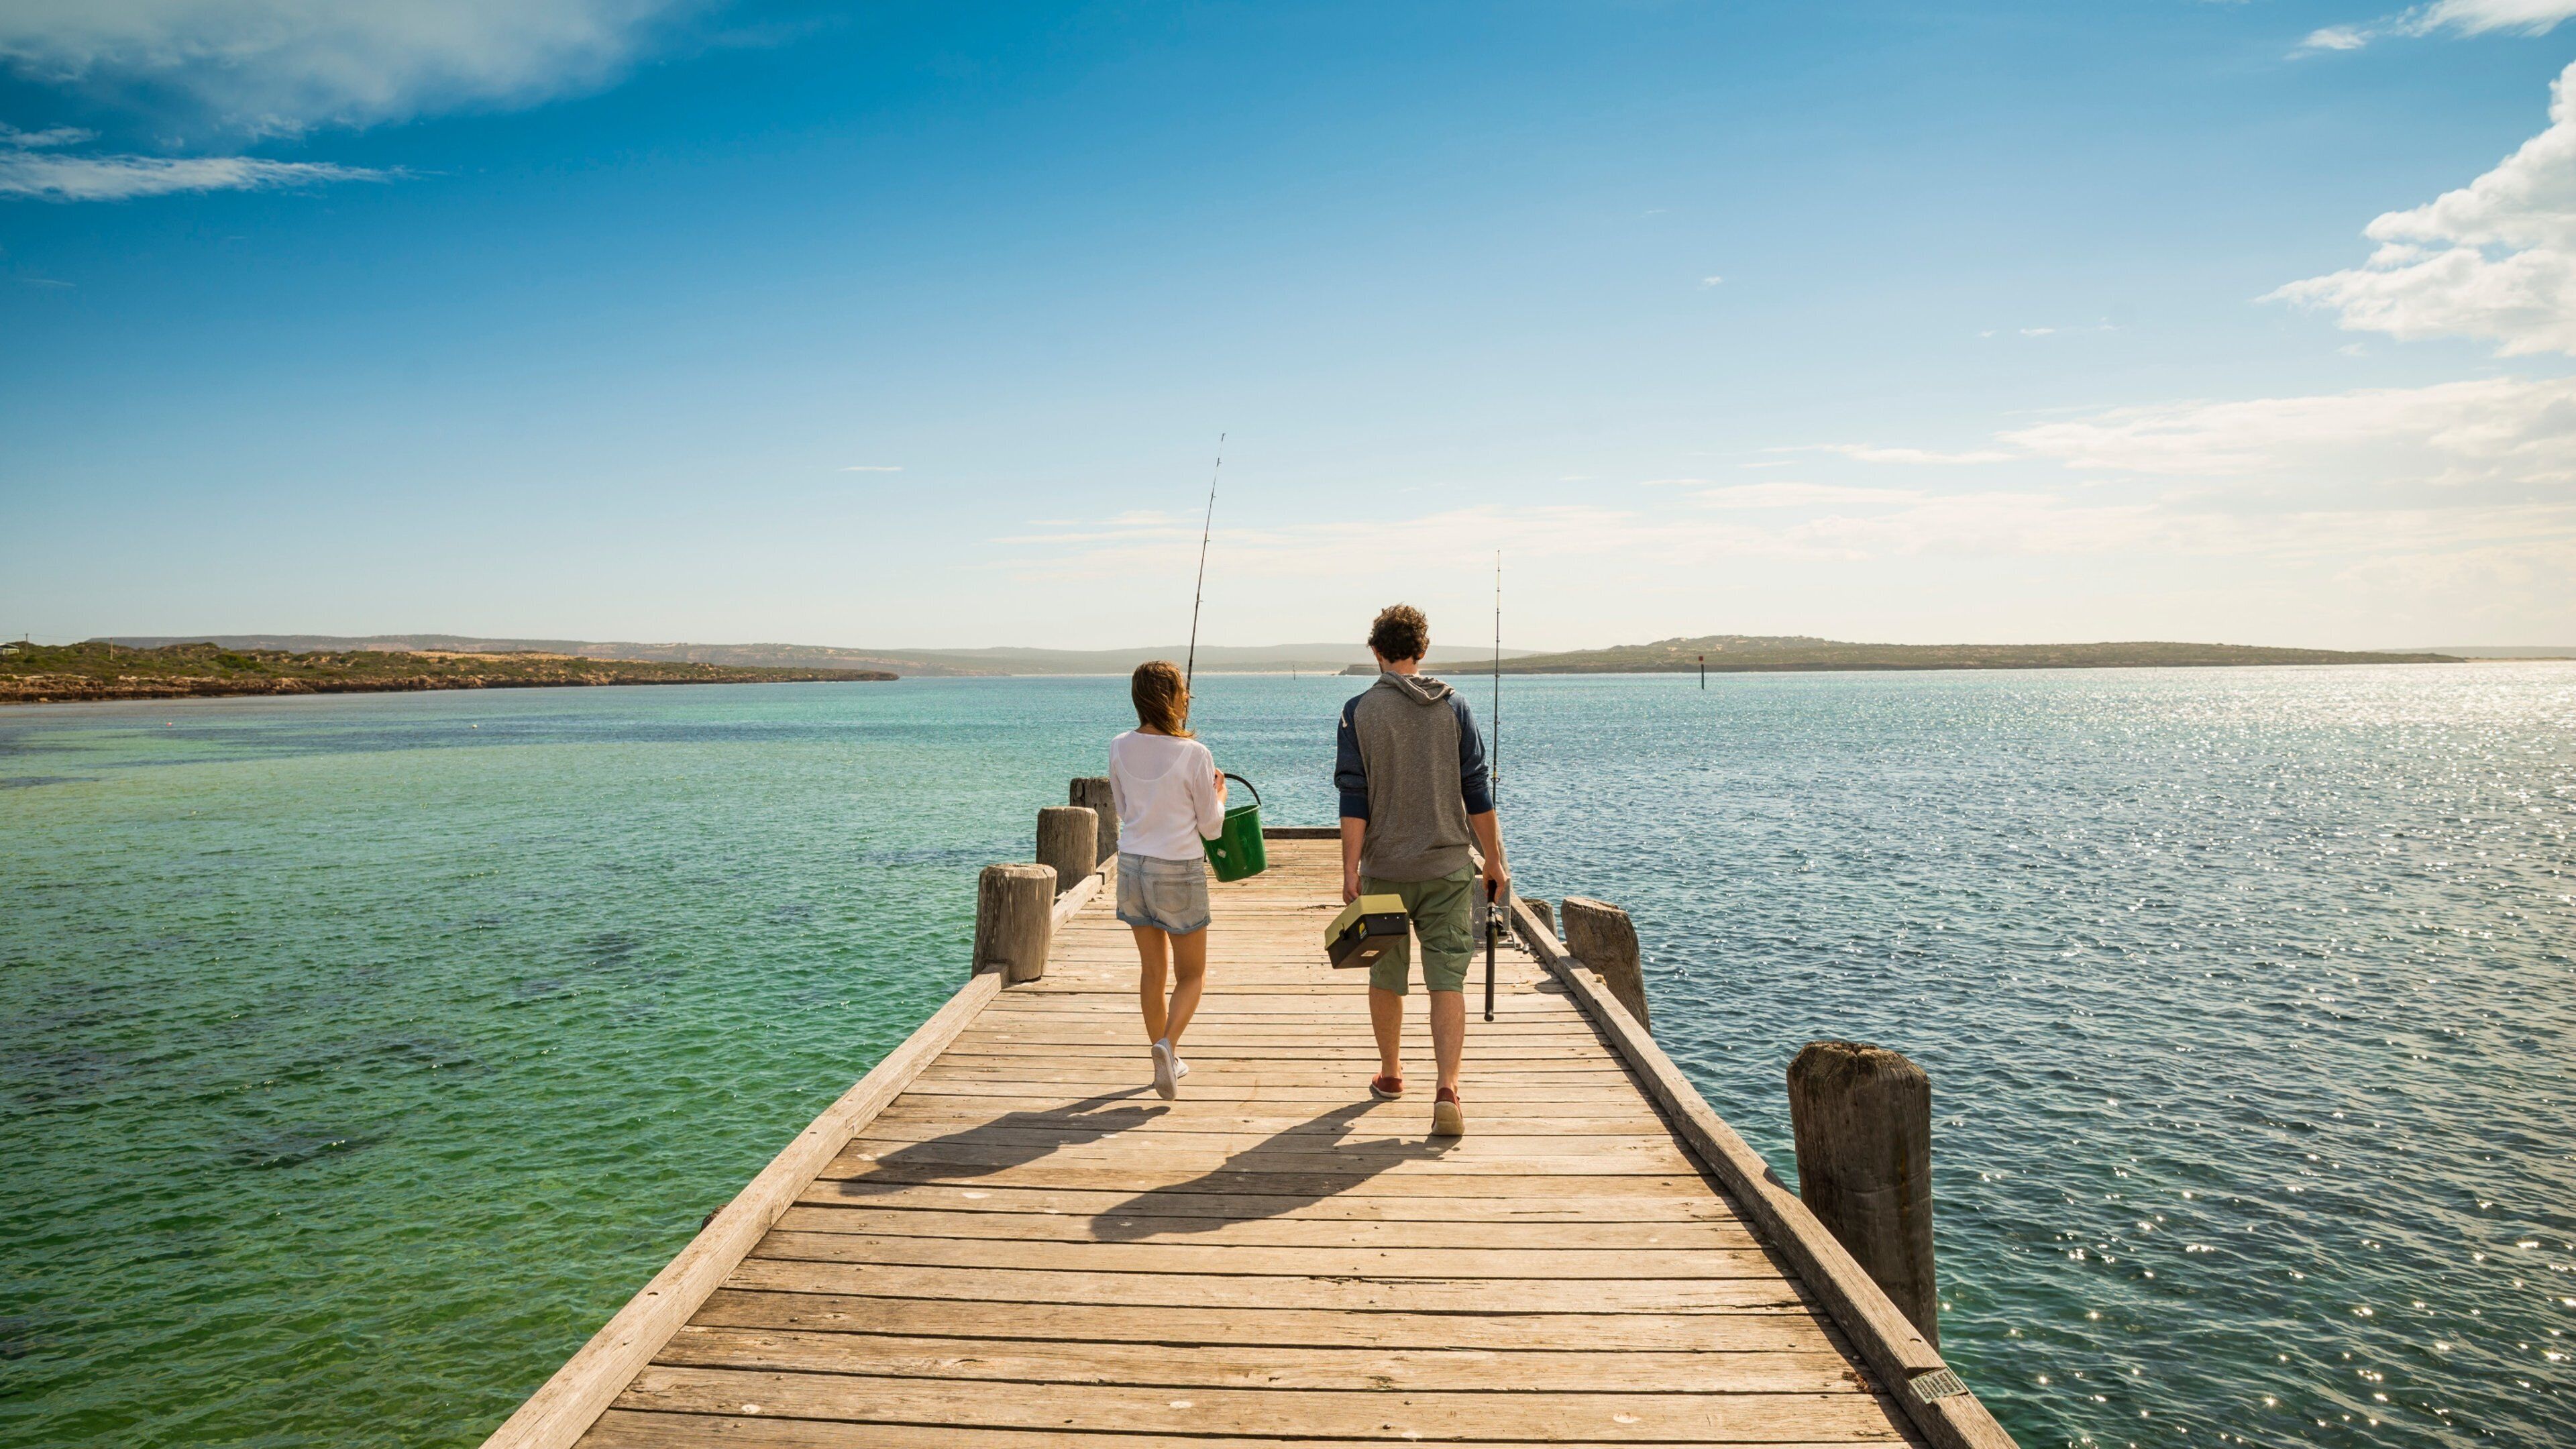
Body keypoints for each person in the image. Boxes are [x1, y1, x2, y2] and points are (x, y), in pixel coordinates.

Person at [1334, 604, 1507, 1137]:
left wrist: (1350, 869)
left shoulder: (1358, 711)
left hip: (1385, 867)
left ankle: (1390, 1075)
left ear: (1375, 653)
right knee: (1446, 979)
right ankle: (1448, 1088)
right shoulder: (1455, 707)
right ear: (1423, 651)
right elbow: (1475, 788)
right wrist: (1495, 859)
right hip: (1449, 866)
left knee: (1386, 975)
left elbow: (1354, 797)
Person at [1109, 660, 1228, 1099]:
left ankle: (1165, 1059)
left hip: (1134, 865)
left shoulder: (1118, 746)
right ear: (1171, 698)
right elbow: (1212, 827)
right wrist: (1220, 794)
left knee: (1152, 973)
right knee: (1192, 974)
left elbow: (1123, 810)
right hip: (1178, 869)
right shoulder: (1195, 754)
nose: (1187, 699)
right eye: (1183, 692)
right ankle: (1167, 1045)